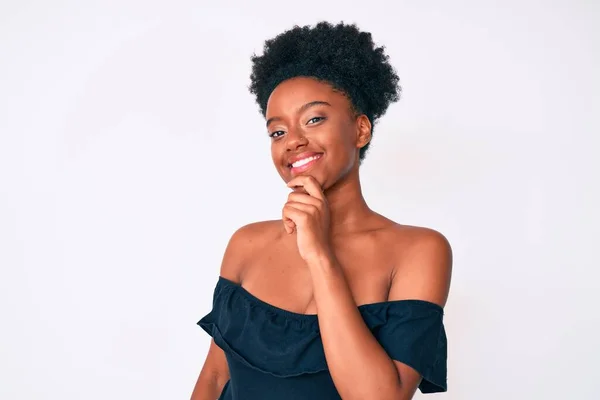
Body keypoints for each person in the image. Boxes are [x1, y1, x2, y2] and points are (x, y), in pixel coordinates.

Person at [190, 21, 452, 400]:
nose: (294, 140)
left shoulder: (418, 251)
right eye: (277, 131)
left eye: (314, 119)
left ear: (361, 130)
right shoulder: (246, 243)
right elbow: (214, 379)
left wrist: (319, 254)